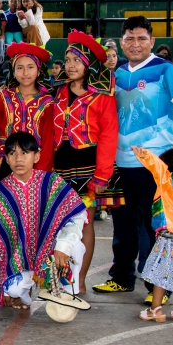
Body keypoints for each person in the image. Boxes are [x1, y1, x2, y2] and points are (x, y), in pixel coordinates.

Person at [95, 16, 173, 299]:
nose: (135, 44)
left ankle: (157, 286)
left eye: (142, 38)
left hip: (155, 163)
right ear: (121, 42)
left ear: (151, 41)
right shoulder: (114, 74)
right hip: (120, 163)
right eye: (130, 38)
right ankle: (121, 277)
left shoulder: (167, 70)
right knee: (123, 223)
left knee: (154, 226)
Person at [0, 132, 87, 309]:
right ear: (6, 159)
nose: (18, 158)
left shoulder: (52, 182)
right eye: (12, 153)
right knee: (13, 289)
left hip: (51, 254)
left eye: (25, 152)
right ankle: (22, 296)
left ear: (37, 156)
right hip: (17, 261)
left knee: (76, 247)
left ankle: (64, 294)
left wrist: (62, 246)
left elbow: (77, 216)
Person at [52, 30, 119, 295]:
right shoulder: (57, 92)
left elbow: (109, 135)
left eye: (77, 60)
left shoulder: (102, 96)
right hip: (61, 163)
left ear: (89, 64)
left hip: (88, 164)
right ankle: (60, 277)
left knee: (85, 223)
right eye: (68, 59)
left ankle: (79, 280)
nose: (70, 65)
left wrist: (102, 175)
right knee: (61, 222)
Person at [0, 42, 55, 182]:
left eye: (30, 67)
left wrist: (40, 175)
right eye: (20, 68)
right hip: (5, 162)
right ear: (13, 72)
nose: (25, 73)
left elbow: (48, 142)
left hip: (34, 164)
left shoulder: (48, 102)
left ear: (39, 71)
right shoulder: (3, 97)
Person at [132, 146, 173, 321]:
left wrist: (144, 154)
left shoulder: (166, 180)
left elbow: (156, 166)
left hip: (169, 237)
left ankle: (156, 309)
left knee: (161, 273)